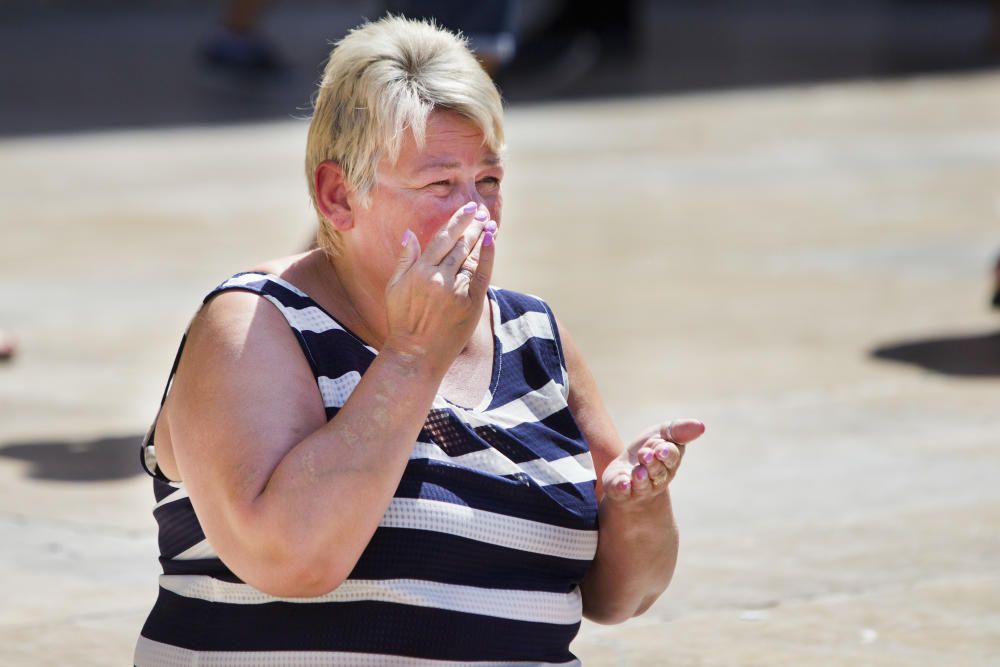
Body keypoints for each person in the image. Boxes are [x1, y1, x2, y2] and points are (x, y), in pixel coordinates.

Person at [135, 15, 704, 666]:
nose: (478, 215)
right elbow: (290, 556)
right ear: (338, 195)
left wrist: (638, 509)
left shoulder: (537, 337)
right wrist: (412, 356)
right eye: (441, 185)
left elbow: (621, 598)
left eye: (488, 181)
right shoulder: (254, 325)